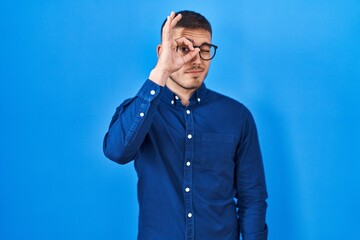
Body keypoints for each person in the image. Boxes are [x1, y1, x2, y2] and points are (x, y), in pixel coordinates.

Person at [103, 10, 268, 240]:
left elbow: (252, 197)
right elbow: (117, 152)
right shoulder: (139, 111)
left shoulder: (237, 116)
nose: (196, 60)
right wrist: (160, 73)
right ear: (163, 52)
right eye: (183, 49)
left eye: (205, 49)